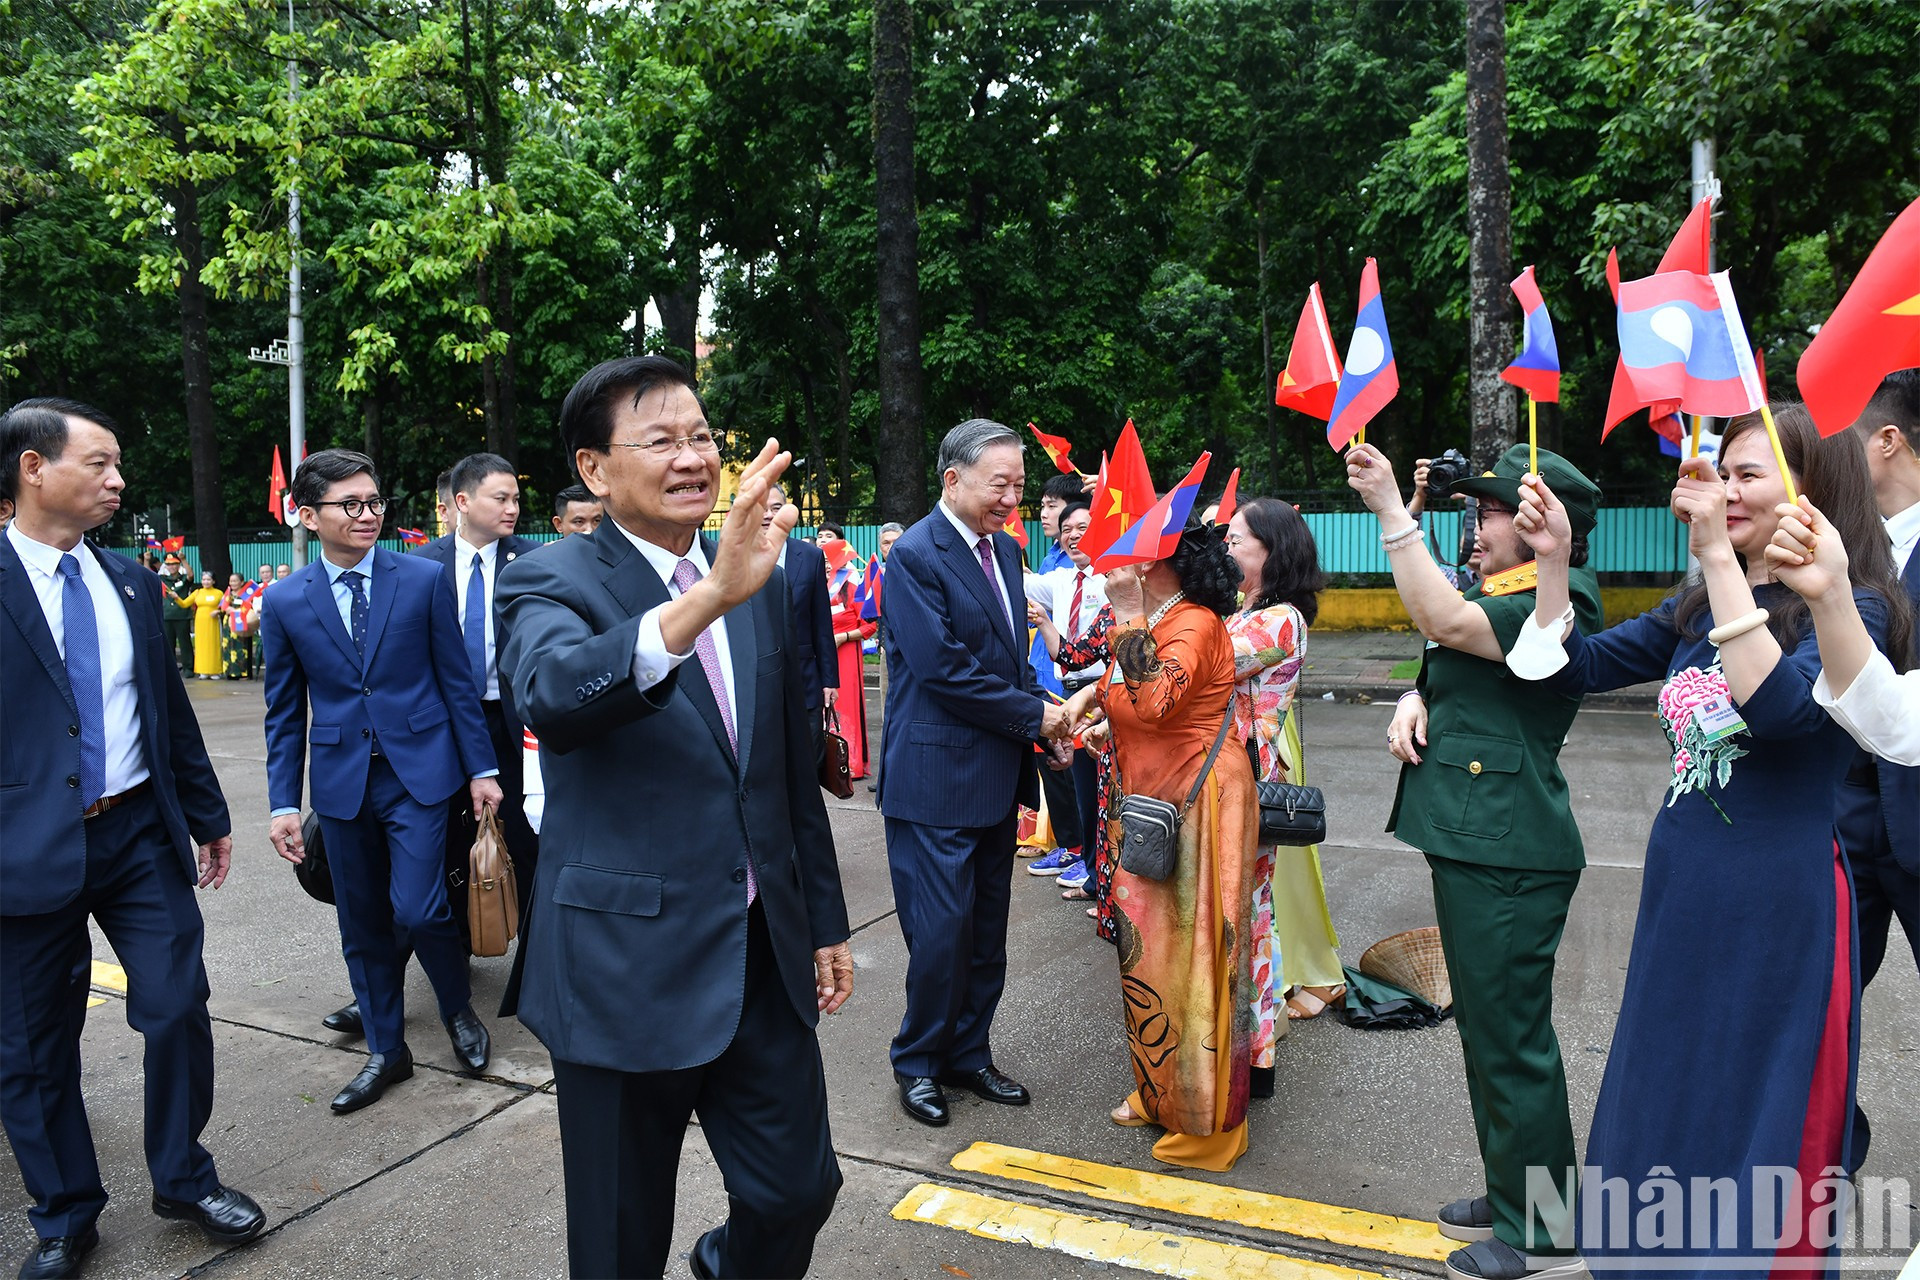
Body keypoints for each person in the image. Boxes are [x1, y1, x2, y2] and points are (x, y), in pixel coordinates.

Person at [1509, 405, 1912, 1278]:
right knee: (1669, 1087)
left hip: (1781, 905)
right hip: (1683, 891)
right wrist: (1554, 561)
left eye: (1748, 474)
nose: (1723, 489)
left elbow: (1780, 713)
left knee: (1754, 1107)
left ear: (1812, 490)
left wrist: (1720, 561)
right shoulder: (1694, 605)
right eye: (1721, 471)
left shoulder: (1854, 607)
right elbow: (1573, 670)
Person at [495, 355, 851, 1280]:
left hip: (758, 951)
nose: (692, 457)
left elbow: (782, 772)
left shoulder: (762, 573)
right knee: (618, 1243)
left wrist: (823, 921)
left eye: (701, 437)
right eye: (660, 441)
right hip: (623, 966)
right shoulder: (549, 576)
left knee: (798, 1192)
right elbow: (553, 694)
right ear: (594, 468)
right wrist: (707, 598)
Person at [0, 398, 265, 1280]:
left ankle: (183, 1179)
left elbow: (167, 711)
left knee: (178, 1003)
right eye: (99, 463)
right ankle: (65, 1215)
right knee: (33, 1047)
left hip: (137, 835)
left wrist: (208, 816)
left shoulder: (128, 581)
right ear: (34, 468)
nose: (118, 480)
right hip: (21, 851)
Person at [1348, 441, 1603, 1280]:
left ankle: (1545, 1234)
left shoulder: (1561, 597)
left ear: (1542, 526)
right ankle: (1514, 1192)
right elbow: (1454, 660)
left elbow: (1445, 625)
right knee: (1487, 1034)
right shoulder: (1506, 589)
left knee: (1512, 1042)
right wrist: (1414, 695)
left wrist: (1395, 511)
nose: (1477, 526)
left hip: (1510, 846)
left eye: (1493, 512)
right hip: (1479, 837)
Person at [260, 449, 501, 1115]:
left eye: (373, 502)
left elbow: (456, 682)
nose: (368, 514)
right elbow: (284, 712)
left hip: (420, 772)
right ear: (309, 516)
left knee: (422, 909)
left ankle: (457, 1009)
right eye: (350, 504)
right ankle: (387, 1050)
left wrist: (481, 770)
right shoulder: (284, 601)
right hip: (341, 781)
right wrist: (283, 803)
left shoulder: (421, 580)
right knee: (361, 921)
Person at [878, 418, 1075, 1128]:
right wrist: (1036, 718)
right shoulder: (915, 556)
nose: (1013, 499)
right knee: (940, 936)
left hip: (994, 775)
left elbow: (1007, 659)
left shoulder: (1006, 549)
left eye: (1019, 486)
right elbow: (945, 671)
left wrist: (1046, 725)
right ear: (953, 479)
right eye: (1001, 485)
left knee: (985, 933)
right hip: (934, 781)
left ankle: (969, 1052)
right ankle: (919, 1062)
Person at [1058, 522, 1258, 1172]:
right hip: (1155, 804)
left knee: (1197, 961)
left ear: (1155, 565)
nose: (1115, 559)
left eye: (1132, 550)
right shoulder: (1165, 618)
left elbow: (1156, 701)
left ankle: (1207, 1125)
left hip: (1201, 806)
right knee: (1151, 961)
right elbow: (1134, 698)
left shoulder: (1191, 622)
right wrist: (1097, 714)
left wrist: (1124, 613)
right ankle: (1163, 1093)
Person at [1223, 497, 1336, 1091]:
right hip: (1230, 778)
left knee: (1246, 920)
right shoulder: (1244, 610)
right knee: (1242, 917)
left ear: (1273, 551)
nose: (1225, 549)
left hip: (1246, 782)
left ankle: (1248, 1055)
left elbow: (1203, 669)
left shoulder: (1280, 620)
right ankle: (1246, 1051)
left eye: (1235, 540)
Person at [413, 452, 542, 941]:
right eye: (500, 498)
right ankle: (458, 950)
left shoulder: (535, 563)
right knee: (448, 842)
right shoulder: (419, 566)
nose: (512, 509)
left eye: (516, 499)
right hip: (442, 727)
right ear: (462, 502)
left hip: (512, 726)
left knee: (523, 841)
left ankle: (532, 957)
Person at [1769, 500, 1920, 764]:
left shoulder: (1870, 604)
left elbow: (1785, 707)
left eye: (1749, 479)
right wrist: (1829, 594)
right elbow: (1891, 717)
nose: (1730, 493)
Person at [1026, 501, 1104, 894]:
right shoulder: (1061, 579)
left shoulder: (1117, 583)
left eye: (1082, 527)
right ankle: (1093, 876)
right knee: (1084, 794)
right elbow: (1071, 655)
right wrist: (1043, 621)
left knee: (1110, 800)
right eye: (1067, 528)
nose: (1073, 535)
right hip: (1077, 694)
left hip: (1112, 697)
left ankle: (1106, 882)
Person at [764, 482, 838, 743]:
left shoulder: (810, 556)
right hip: (756, 683)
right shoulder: (735, 556)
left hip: (804, 678)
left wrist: (829, 680)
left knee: (809, 754)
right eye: (761, 508)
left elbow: (821, 623)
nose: (768, 515)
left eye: (776, 508)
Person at [824, 540, 875, 778]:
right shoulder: (817, 586)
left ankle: (850, 762)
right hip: (822, 654)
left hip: (845, 654)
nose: (826, 566)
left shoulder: (851, 585)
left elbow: (869, 626)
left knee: (846, 706)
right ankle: (827, 761)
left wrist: (843, 637)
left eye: (828, 561)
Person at [1035, 472, 1087, 573]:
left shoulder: (1085, 560)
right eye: (1042, 506)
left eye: (1051, 506)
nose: (1043, 514)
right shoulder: (1048, 559)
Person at [184, 570, 224, 679]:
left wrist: (218, 611)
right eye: (204, 579)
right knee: (201, 645)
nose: (206, 582)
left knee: (214, 644)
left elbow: (224, 606)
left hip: (213, 621)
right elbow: (184, 604)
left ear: (213, 581)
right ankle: (202, 670)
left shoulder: (219, 593)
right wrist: (175, 597)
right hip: (200, 621)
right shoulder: (197, 592)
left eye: (208, 579)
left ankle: (215, 670)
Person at [217, 573, 256, 680]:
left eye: (235, 581)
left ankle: (243, 672)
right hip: (228, 623)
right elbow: (221, 607)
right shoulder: (228, 593)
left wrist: (235, 610)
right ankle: (229, 672)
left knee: (241, 646)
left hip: (240, 621)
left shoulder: (246, 594)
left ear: (241, 582)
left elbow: (250, 608)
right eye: (231, 581)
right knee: (228, 646)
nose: (232, 583)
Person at [160, 553, 195, 668]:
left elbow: (190, 575)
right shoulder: (162, 579)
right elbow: (147, 575)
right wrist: (146, 560)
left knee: (185, 643)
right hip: (167, 615)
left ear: (179, 565)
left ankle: (188, 667)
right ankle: (170, 668)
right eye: (169, 564)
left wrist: (183, 559)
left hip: (182, 615)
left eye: (174, 564)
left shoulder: (183, 578)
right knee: (168, 644)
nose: (172, 567)